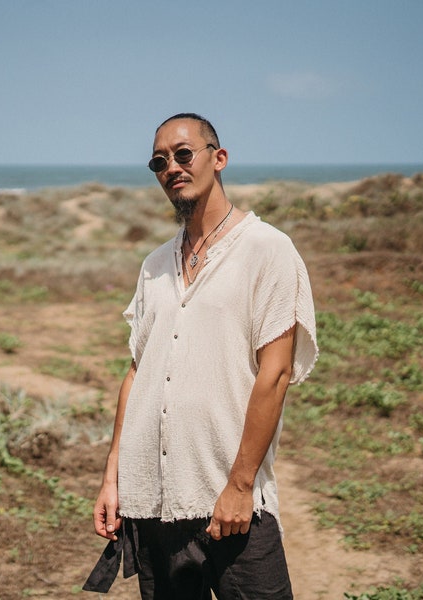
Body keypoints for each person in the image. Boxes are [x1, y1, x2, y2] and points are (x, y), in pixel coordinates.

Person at [86, 113, 318, 599]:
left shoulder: (267, 250)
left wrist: (240, 486)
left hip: (231, 507)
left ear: (219, 158)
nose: (171, 166)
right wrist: (114, 478)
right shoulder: (153, 266)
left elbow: (274, 375)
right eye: (159, 161)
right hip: (153, 504)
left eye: (184, 153)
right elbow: (137, 373)